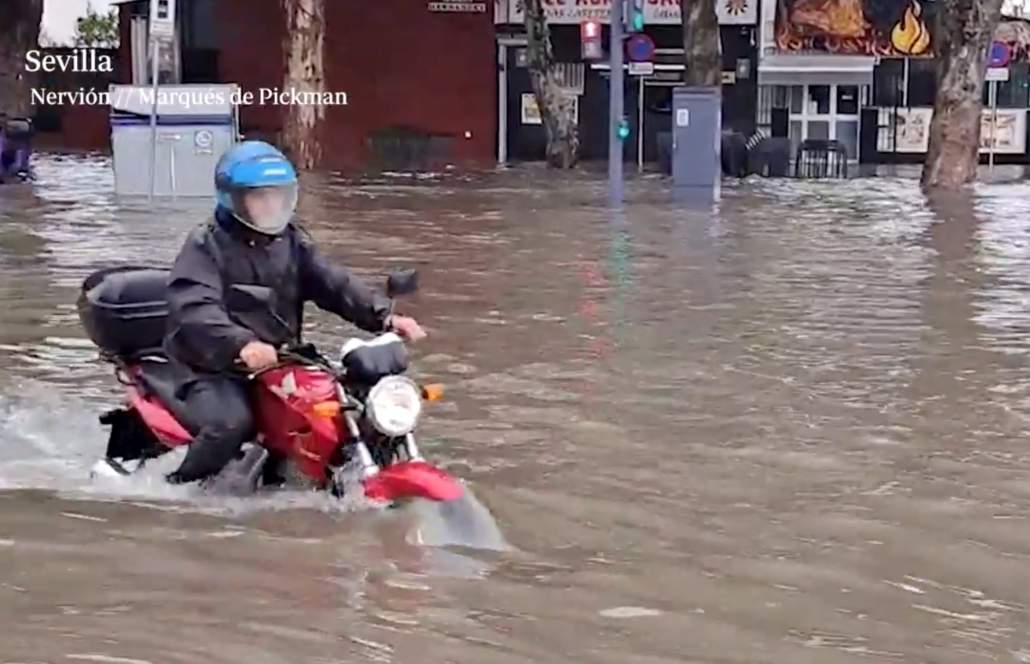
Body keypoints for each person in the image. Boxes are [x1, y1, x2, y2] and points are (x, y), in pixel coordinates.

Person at [163, 140, 425, 484]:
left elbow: (331, 281)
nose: (272, 205)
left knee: (345, 404)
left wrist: (384, 316)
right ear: (234, 199)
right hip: (213, 365)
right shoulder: (205, 245)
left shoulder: (291, 240)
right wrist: (241, 343)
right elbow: (195, 306)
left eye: (278, 195)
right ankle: (183, 489)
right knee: (231, 424)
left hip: (281, 359)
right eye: (260, 197)